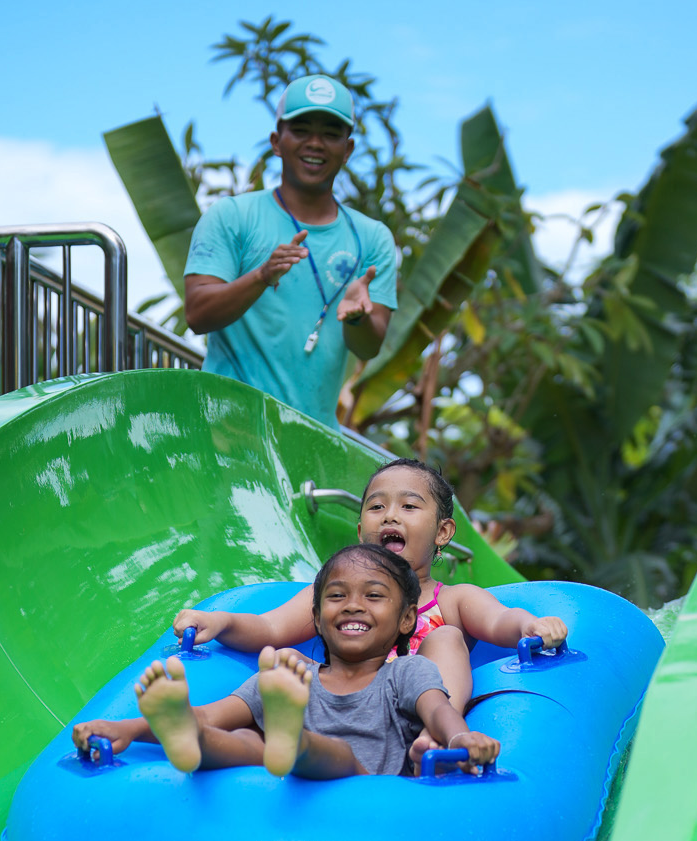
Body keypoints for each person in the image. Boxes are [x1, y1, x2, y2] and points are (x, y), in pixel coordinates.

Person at [171, 458, 568, 757]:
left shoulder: (452, 599)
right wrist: (220, 621)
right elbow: (271, 629)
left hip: (412, 714)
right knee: (285, 659)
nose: (390, 515)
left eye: (409, 507)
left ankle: (442, 729)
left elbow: (500, 619)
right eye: (376, 507)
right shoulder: (337, 596)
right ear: (361, 532)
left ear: (443, 532)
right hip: (340, 707)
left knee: (445, 637)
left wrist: (531, 626)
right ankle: (212, 731)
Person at [86, 545, 498, 780]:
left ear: (407, 619)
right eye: (337, 596)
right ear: (316, 617)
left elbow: (439, 710)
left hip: (363, 782)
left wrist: (460, 740)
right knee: (246, 742)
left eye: (373, 596)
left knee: (334, 753)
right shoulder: (290, 673)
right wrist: (126, 728)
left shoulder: (405, 672)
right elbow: (214, 713)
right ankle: (193, 742)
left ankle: (293, 742)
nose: (353, 606)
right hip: (276, 762)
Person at [182, 73, 399, 428]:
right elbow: (197, 315)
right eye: (301, 130)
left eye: (331, 133)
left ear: (348, 149)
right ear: (276, 141)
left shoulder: (372, 238)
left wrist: (357, 316)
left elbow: (368, 348)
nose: (316, 143)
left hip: (312, 442)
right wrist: (260, 277)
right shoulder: (232, 216)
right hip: (224, 432)